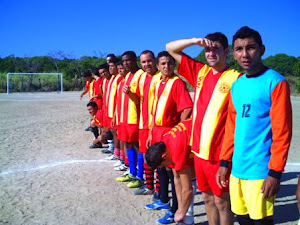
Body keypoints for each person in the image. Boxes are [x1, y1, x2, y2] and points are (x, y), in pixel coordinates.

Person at [216, 26, 293, 225]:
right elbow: (231, 127)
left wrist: (275, 173)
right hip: (237, 169)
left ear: (262, 49)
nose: (244, 54)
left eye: (250, 48)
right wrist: (224, 162)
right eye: (239, 49)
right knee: (241, 218)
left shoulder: (275, 82)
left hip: (260, 170)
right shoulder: (238, 84)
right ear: (233, 53)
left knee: (261, 221)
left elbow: (282, 132)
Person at [166, 32, 241, 225]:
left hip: (220, 154)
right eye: (207, 49)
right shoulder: (200, 72)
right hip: (198, 151)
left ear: (227, 51)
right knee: (207, 199)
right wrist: (194, 41)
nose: (210, 53)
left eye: (216, 48)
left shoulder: (236, 79)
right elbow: (170, 48)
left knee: (221, 202)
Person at [145, 51, 193, 225]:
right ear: (158, 66)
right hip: (158, 130)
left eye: (170, 63)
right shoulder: (159, 83)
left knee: (175, 173)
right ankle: (164, 199)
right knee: (161, 168)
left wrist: (178, 129)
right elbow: (155, 111)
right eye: (163, 64)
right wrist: (151, 132)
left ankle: (175, 209)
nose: (167, 67)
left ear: (174, 65)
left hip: (170, 131)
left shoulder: (177, 83)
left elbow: (187, 108)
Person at [146, 119, 197, 225]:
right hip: (191, 138)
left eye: (163, 165)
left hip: (207, 138)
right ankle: (188, 218)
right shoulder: (165, 146)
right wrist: (180, 207)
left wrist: (182, 211)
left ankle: (188, 218)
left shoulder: (176, 150)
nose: (165, 167)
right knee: (187, 178)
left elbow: (187, 189)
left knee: (207, 192)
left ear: (163, 157)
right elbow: (177, 179)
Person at [126, 50, 162, 192]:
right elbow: (138, 99)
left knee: (158, 158)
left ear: (155, 61)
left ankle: (160, 192)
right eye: (144, 62)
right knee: (146, 156)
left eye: (149, 61)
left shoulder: (161, 77)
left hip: (157, 125)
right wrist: (129, 93)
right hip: (143, 124)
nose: (147, 64)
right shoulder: (142, 78)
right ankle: (149, 186)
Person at [116, 51, 144, 184]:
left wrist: (130, 93)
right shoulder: (127, 76)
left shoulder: (141, 75)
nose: (126, 63)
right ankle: (132, 172)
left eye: (128, 60)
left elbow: (140, 99)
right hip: (125, 117)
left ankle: (140, 176)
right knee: (128, 143)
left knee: (138, 145)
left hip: (135, 117)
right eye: (124, 61)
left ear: (135, 59)